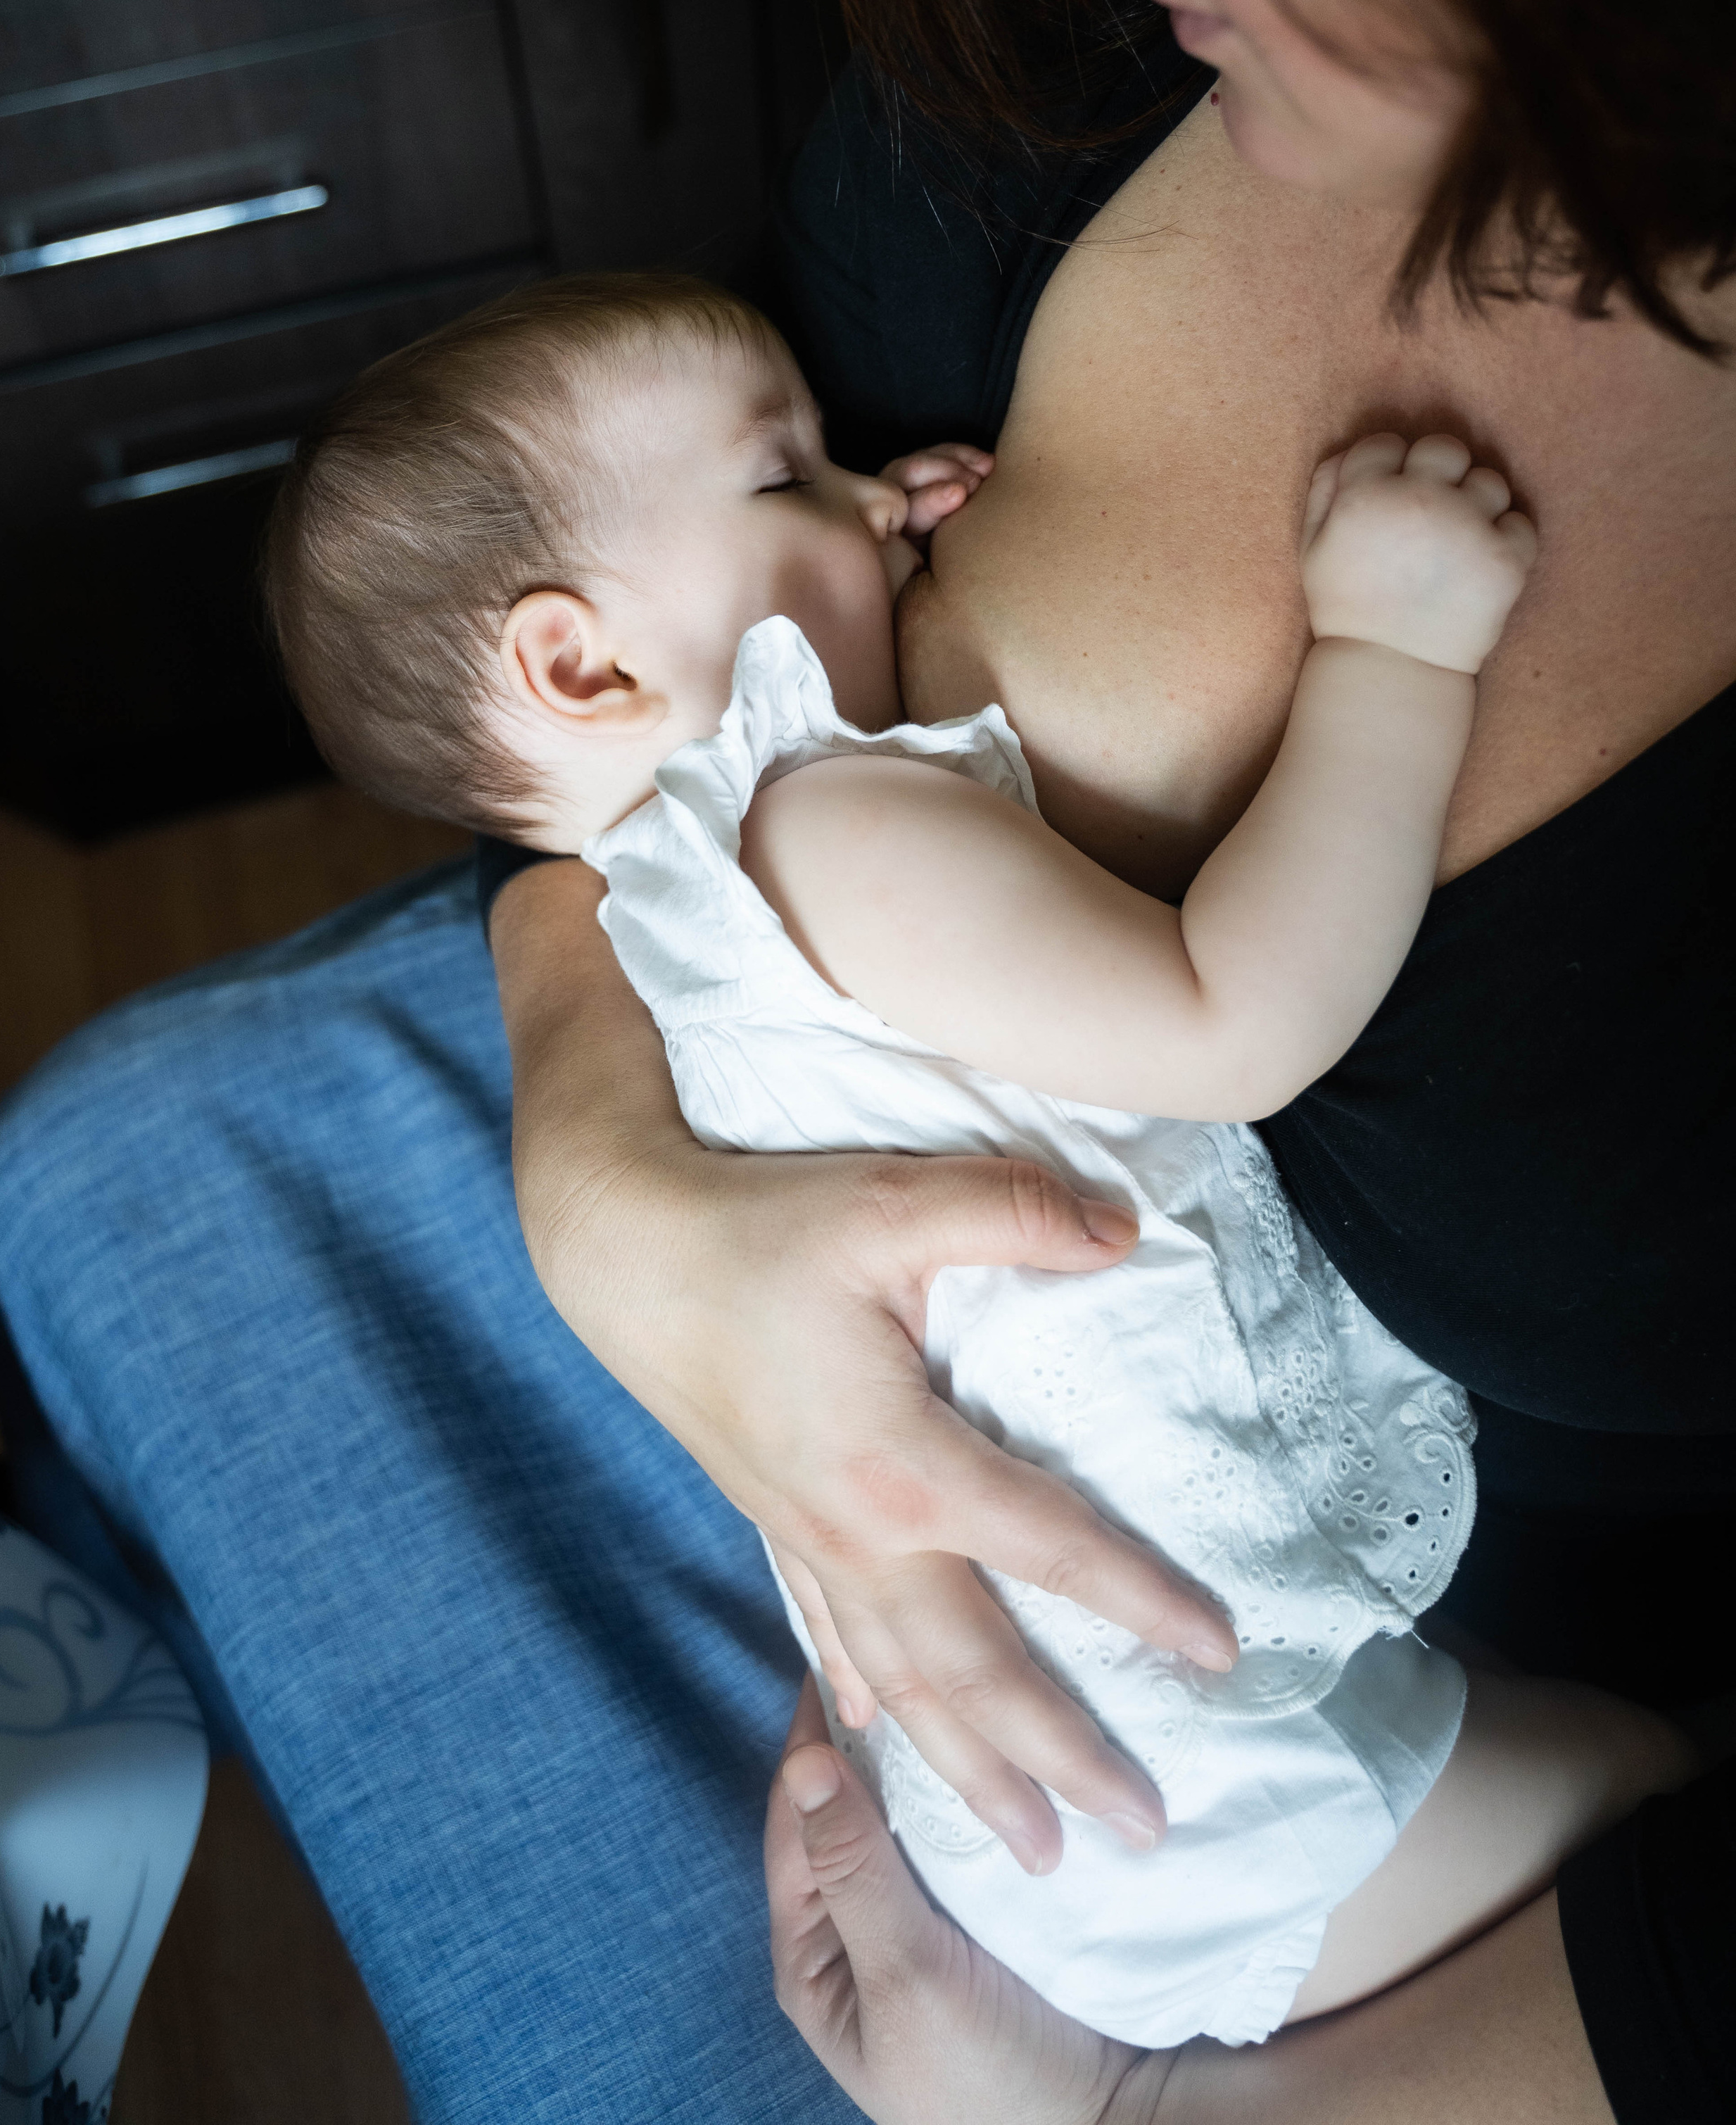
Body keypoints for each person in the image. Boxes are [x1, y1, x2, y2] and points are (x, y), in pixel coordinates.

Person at [0, 0, 1734, 2117]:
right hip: (1097, 1704)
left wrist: (1155, 2111)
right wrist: (632, 1215)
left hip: (1272, 1743)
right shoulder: (1089, 55)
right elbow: (616, 827)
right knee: (99, 1156)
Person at [263, 266, 1690, 2045]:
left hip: (1082, 1792)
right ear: (579, 659)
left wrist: (845, 539)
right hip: (1190, 1785)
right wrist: (1390, 659)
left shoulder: (656, 920)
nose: (882, 497)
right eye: (790, 478)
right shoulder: (827, 823)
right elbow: (1229, 1021)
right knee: (1652, 1793)